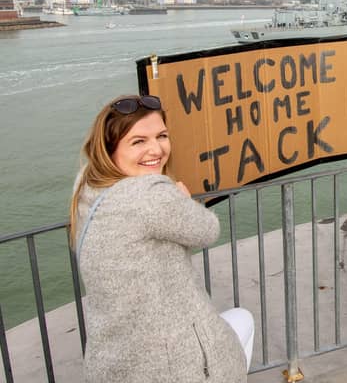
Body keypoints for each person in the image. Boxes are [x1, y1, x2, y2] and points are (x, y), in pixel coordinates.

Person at [69, 95, 254, 383]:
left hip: (113, 360)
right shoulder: (150, 195)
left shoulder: (86, 186)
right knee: (243, 322)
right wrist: (183, 199)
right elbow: (207, 230)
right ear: (110, 149)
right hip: (171, 365)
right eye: (138, 141)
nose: (155, 149)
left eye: (161, 136)